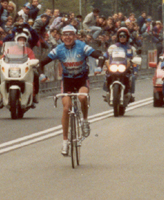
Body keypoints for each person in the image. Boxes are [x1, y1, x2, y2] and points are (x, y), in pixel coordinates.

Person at [38, 25, 104, 156]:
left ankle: (85, 120)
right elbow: (41, 63)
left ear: (75, 36)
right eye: (65, 35)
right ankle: (65, 141)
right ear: (61, 37)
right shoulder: (59, 49)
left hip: (81, 80)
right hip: (67, 81)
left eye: (70, 34)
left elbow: (100, 56)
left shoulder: (82, 46)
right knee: (66, 108)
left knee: (82, 97)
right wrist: (41, 75)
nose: (67, 37)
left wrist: (99, 67)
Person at [102, 27, 138, 102]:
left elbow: (135, 59)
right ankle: (107, 91)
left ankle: (130, 93)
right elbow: (106, 55)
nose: (122, 38)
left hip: (126, 68)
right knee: (106, 75)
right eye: (120, 36)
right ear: (118, 37)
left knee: (132, 77)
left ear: (127, 37)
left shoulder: (131, 48)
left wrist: (135, 70)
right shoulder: (113, 47)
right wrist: (102, 59)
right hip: (114, 66)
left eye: (124, 36)